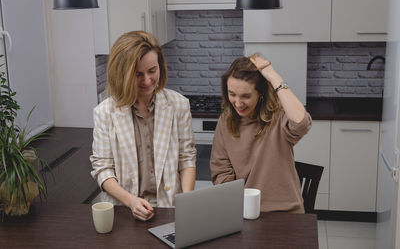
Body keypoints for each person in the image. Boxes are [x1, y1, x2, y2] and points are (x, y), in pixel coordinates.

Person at [90, 31, 196, 221]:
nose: (147, 81)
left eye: (152, 71)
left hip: (170, 208)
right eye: (138, 74)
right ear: (121, 74)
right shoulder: (105, 112)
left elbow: (186, 159)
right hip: (125, 211)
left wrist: (186, 201)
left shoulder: (179, 104)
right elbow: (103, 169)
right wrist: (131, 201)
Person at [210, 54, 312, 213]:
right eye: (232, 94)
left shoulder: (279, 117)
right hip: (244, 211)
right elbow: (221, 172)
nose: (238, 103)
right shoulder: (225, 122)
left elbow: (301, 123)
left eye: (246, 96)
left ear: (261, 93)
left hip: (286, 213)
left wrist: (274, 77)